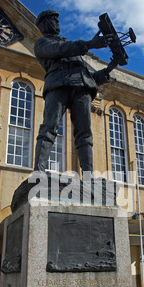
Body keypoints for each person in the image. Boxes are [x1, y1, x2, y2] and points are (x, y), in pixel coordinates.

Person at [34, 10, 118, 173]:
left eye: (58, 20)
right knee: (50, 127)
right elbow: (59, 49)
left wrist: (108, 69)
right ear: (44, 24)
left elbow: (86, 76)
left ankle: (88, 175)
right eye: (53, 20)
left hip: (81, 88)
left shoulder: (70, 48)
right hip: (59, 85)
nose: (57, 23)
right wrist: (89, 44)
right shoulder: (42, 44)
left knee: (85, 132)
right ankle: (39, 170)